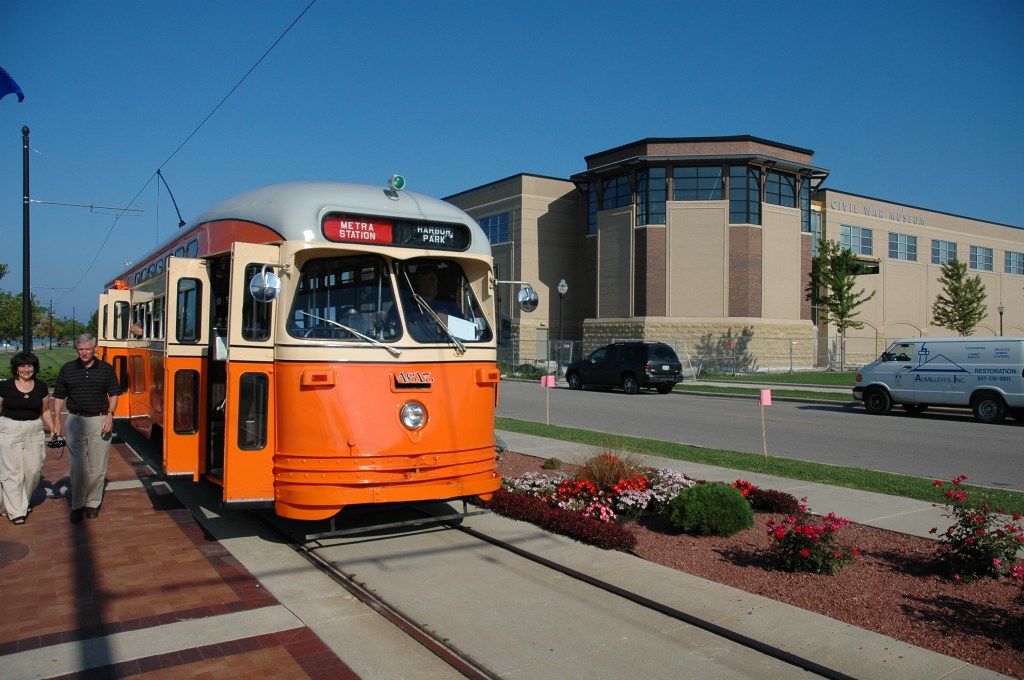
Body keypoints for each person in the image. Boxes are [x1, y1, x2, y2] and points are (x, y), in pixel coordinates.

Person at [51, 334, 123, 524]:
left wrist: (110, 415)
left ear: (95, 349)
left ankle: (92, 502)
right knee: (78, 467)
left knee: (97, 467)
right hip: (75, 420)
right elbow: (59, 396)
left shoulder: (105, 369)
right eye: (81, 349)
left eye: (88, 349)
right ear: (77, 349)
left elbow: (114, 394)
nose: (84, 353)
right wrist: (56, 419)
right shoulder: (68, 368)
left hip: (100, 420)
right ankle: (77, 504)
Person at [0, 352, 55, 525]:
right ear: (16, 368)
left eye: (29, 366)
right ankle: (17, 511)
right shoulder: (5, 386)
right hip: (9, 428)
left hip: (34, 429)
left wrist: (53, 428)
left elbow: (45, 410)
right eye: (22, 366)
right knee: (13, 472)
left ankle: (19, 502)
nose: (26, 369)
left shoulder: (41, 387)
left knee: (33, 470)